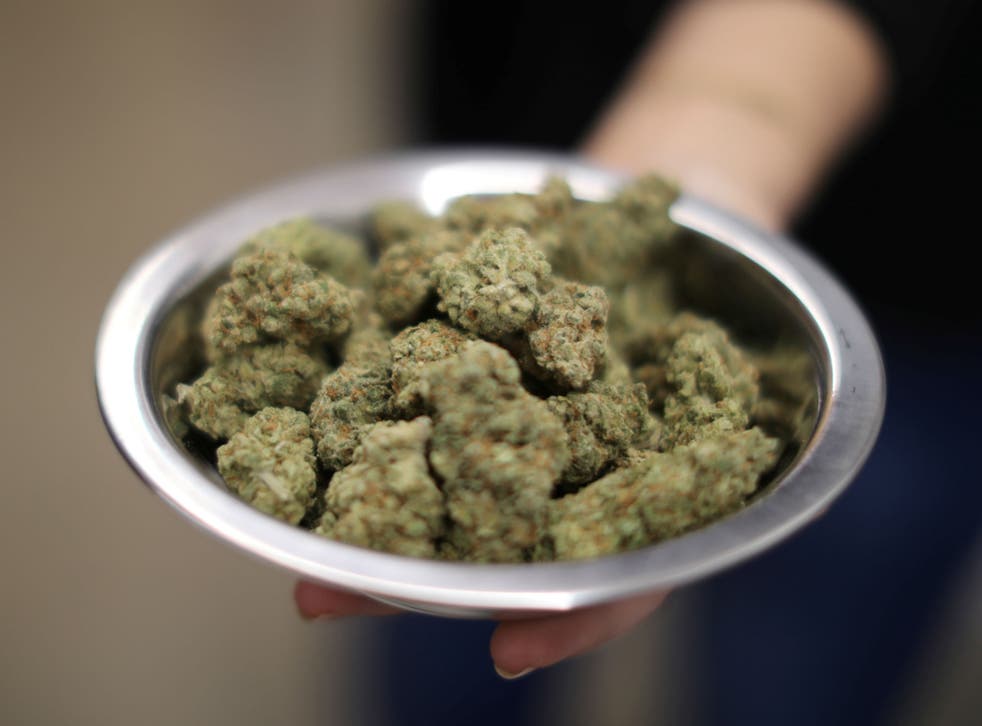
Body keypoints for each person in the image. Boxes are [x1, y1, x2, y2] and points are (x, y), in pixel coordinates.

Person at [296, 0, 892, 680]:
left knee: (797, 649)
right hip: (519, 73)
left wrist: (727, 131)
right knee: (441, 658)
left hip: (901, 281)